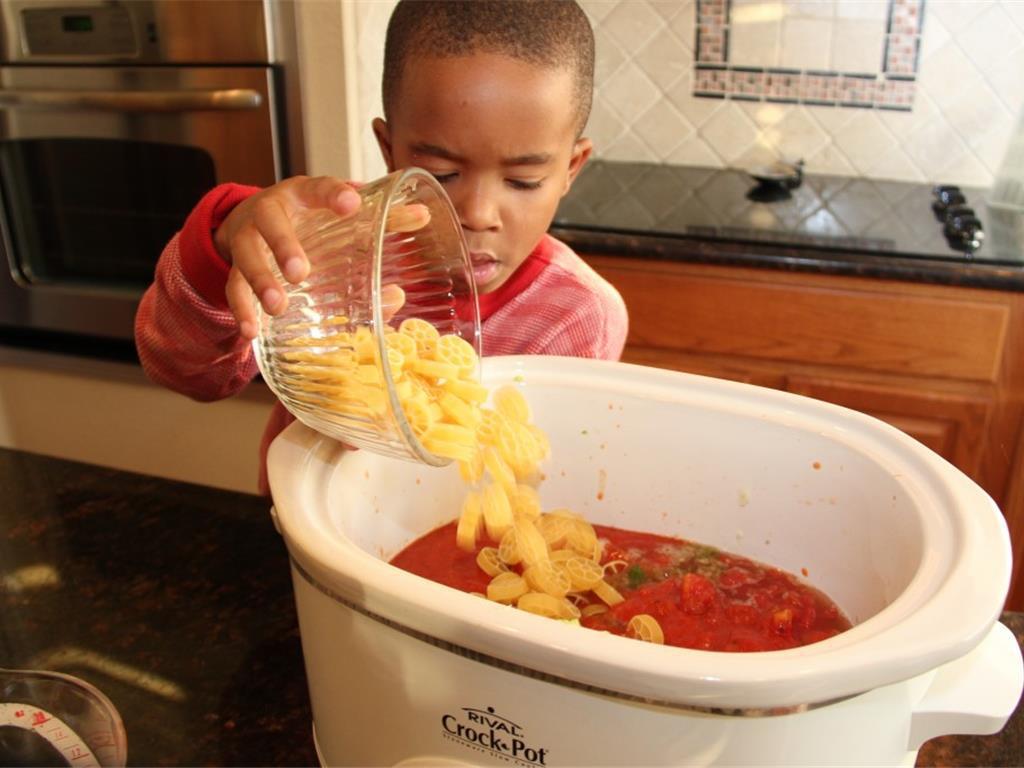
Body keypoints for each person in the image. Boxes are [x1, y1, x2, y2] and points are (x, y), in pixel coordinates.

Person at [135, 0, 628, 495]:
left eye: (523, 181)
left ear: (571, 168)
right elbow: (185, 372)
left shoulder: (579, 316)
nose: (478, 214)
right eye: (442, 174)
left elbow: (541, 475)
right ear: (389, 151)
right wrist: (221, 256)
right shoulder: (326, 244)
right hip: (302, 530)